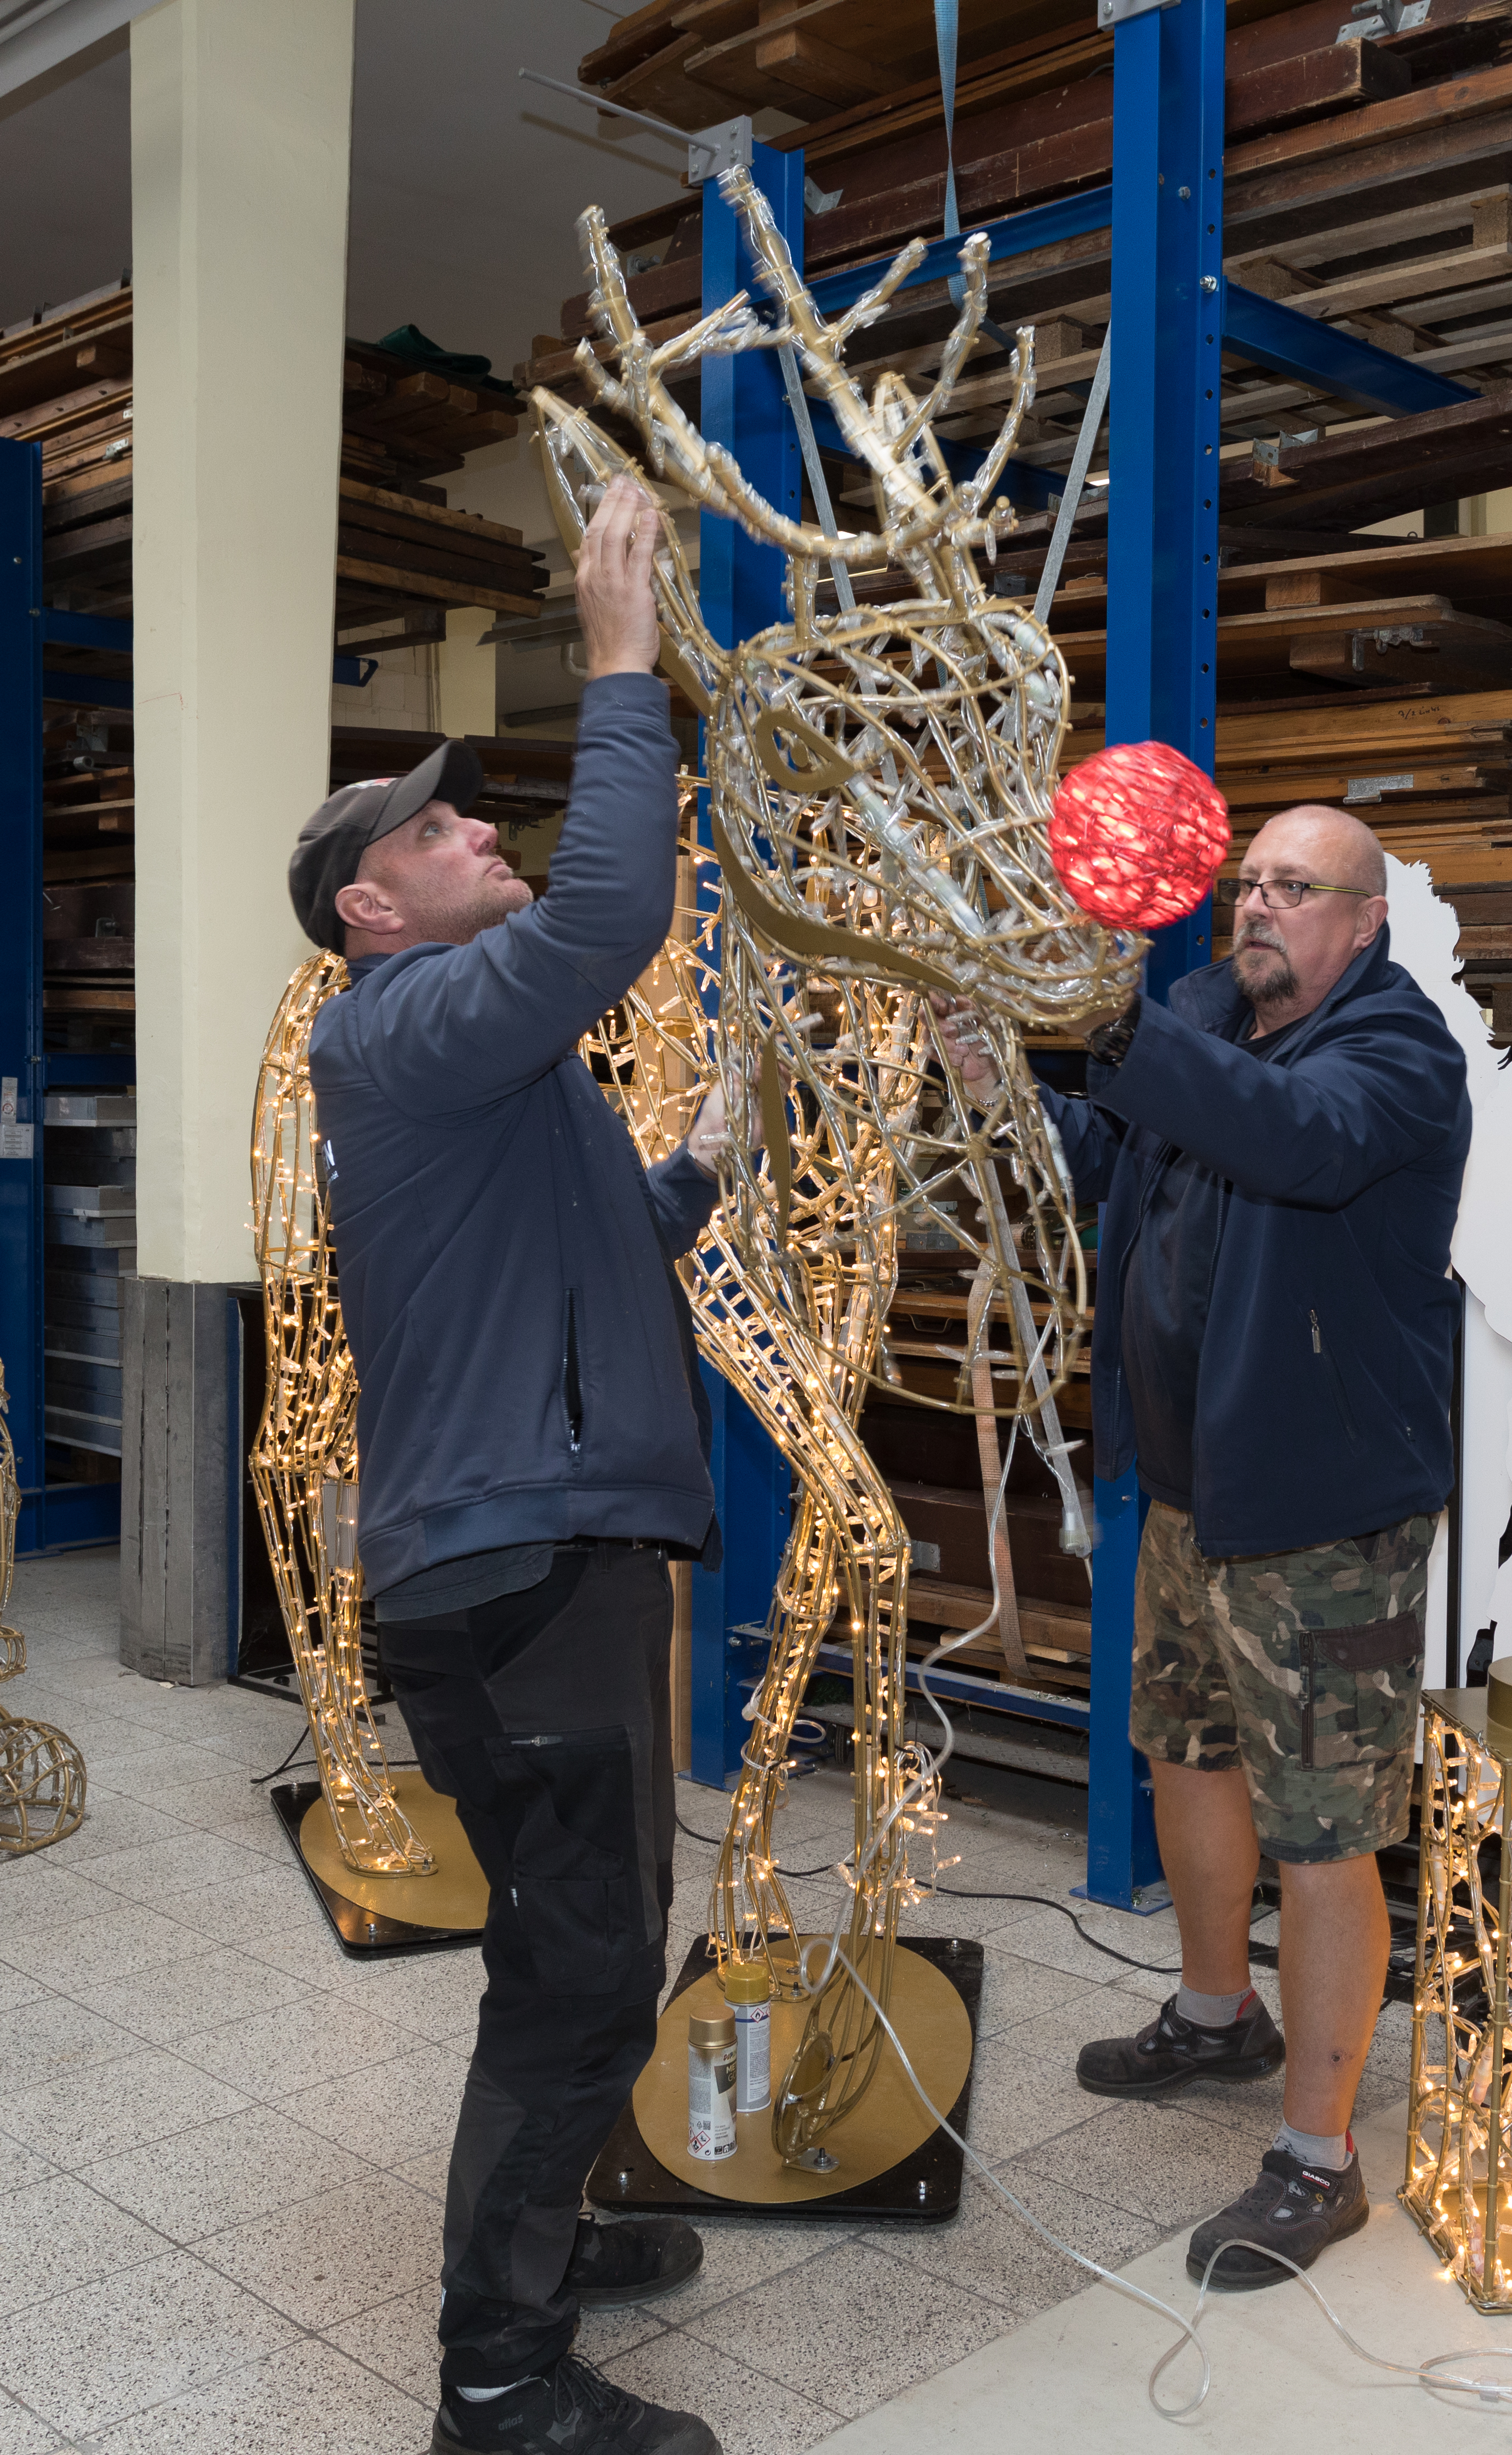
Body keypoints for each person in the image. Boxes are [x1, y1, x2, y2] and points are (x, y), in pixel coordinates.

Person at [290, 481, 723, 2455]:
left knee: (570, 1955)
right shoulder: (412, 1019)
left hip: (509, 1560)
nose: (482, 830)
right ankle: (499, 2379)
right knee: (577, 1976)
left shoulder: (474, 1064)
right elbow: (618, 915)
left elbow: (587, 1253)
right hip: (528, 1573)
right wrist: (619, 663)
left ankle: (546, 2236)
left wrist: (709, 1162)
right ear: (372, 905)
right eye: (442, 827)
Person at [938, 804, 1469, 2292]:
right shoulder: (1200, 1019)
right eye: (1247, 885)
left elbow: (1288, 1144)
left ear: (1360, 921)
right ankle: (1214, 2009)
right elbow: (1104, 1164)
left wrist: (1108, 1020)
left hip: (1320, 1515)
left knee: (1321, 1825)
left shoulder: (1395, 1059)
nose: (1255, 909)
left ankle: (1319, 2159)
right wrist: (997, 1086)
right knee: (1184, 1751)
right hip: (1185, 1491)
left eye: (1293, 890)